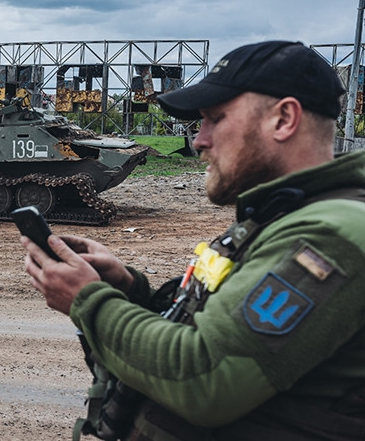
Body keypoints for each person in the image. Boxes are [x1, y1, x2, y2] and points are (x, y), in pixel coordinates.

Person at [20, 41, 365, 440]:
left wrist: (88, 300)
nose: (198, 140)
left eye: (216, 119)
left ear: (284, 119)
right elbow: (217, 327)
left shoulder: (331, 232)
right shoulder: (283, 214)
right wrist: (128, 290)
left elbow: (205, 378)